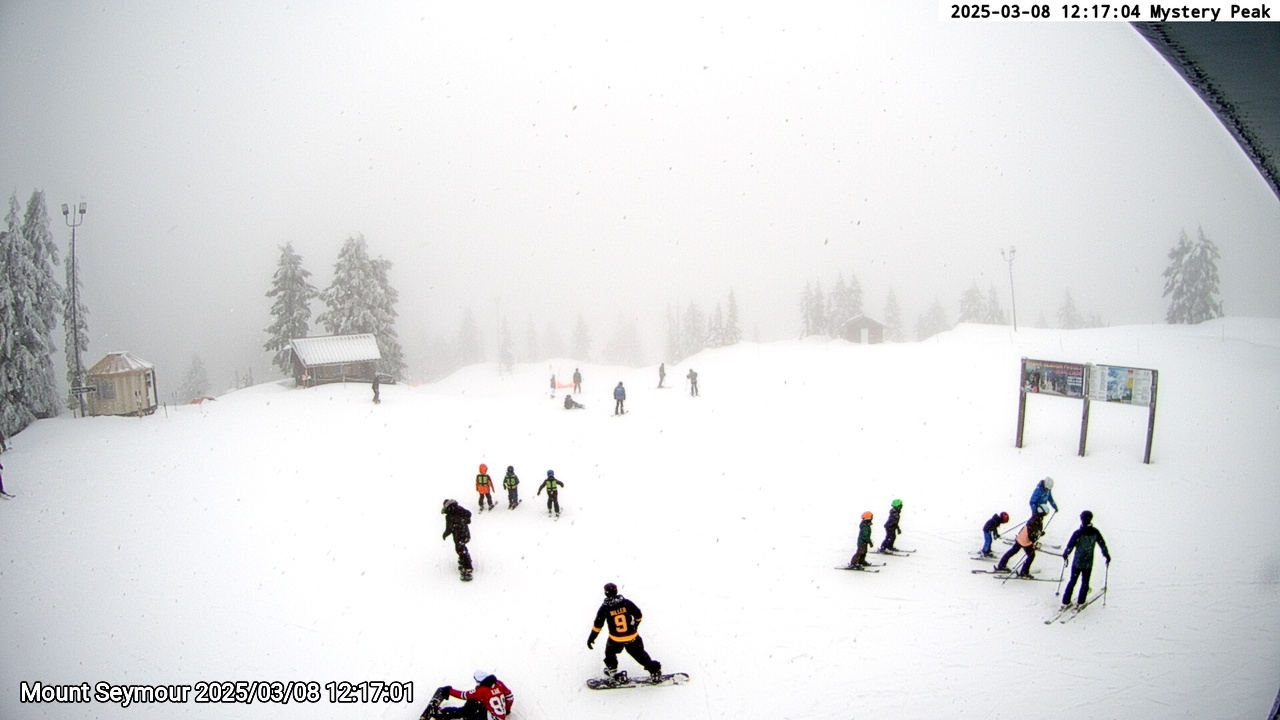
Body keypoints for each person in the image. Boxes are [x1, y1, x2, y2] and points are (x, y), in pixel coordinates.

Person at [587, 583, 663, 681]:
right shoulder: (626, 603)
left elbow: (598, 625)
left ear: (606, 593)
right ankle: (654, 670)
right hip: (632, 637)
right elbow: (638, 615)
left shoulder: (605, 608)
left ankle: (612, 670)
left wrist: (592, 638)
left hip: (615, 639)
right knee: (640, 654)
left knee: (610, 654)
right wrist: (635, 624)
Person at [1061, 510, 1111, 608]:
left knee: (1072, 581)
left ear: (1081, 519)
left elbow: (1070, 546)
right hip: (1088, 562)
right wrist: (1107, 556)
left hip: (1077, 562)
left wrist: (1066, 554)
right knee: (1085, 582)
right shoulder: (1095, 532)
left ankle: (1065, 601)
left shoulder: (1078, 533)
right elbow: (1102, 545)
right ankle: (1081, 602)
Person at [422, 670, 515, 720]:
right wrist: (507, 710)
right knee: (475, 704)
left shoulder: (482, 690)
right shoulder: (499, 684)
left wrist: (449, 691)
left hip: (490, 717)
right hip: (500, 717)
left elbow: (464, 695)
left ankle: (439, 714)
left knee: (469, 706)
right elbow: (510, 696)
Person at [995, 508, 1047, 576]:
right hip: (1026, 541)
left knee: (1012, 551)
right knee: (1031, 555)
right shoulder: (1036, 520)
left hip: (1020, 537)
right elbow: (1032, 534)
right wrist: (1033, 543)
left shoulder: (1034, 517)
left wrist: (1039, 533)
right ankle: (1024, 572)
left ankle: (1001, 566)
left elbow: (1031, 530)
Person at [441, 499, 473, 580]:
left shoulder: (450, 515)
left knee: (460, 549)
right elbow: (468, 514)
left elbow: (449, 528)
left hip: (459, 534)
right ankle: (465, 559)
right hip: (464, 533)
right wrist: (464, 521)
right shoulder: (458, 509)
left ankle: (467, 567)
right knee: (461, 548)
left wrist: (445, 534)